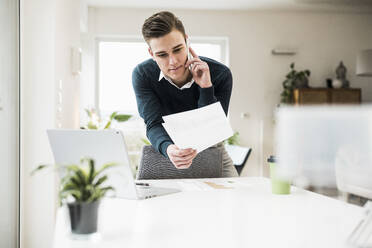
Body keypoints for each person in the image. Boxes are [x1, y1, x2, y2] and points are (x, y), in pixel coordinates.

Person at [132, 11, 238, 177]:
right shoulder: (143, 74)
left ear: (187, 41)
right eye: (162, 54)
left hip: (211, 151)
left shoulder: (220, 74)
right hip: (167, 150)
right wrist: (169, 149)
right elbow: (153, 123)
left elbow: (211, 130)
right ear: (152, 54)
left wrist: (205, 87)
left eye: (177, 49)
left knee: (233, 199)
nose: (173, 61)